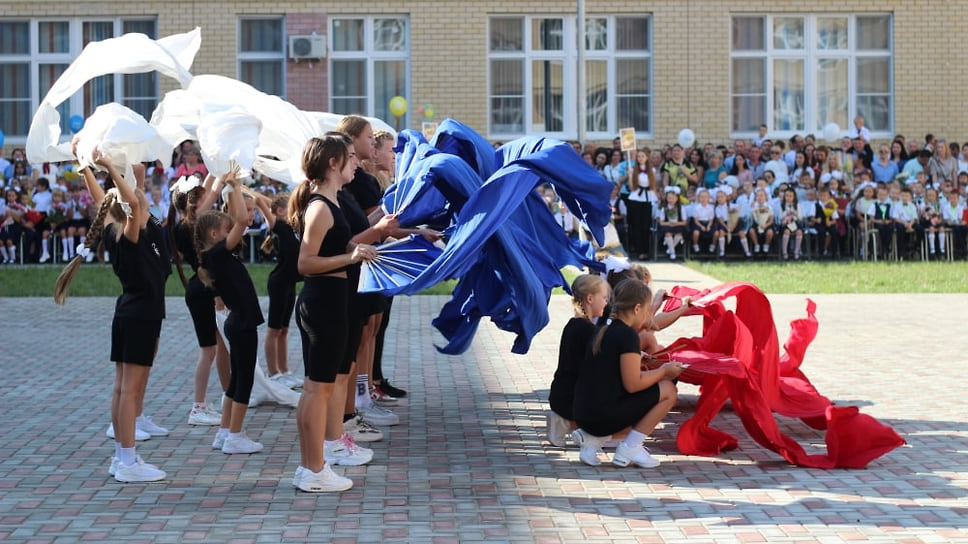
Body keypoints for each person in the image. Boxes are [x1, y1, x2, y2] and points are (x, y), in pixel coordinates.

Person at [55, 149, 170, 482]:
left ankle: (122, 458)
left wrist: (85, 168)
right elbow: (131, 203)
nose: (144, 196)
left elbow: (100, 200)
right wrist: (107, 167)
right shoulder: (130, 232)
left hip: (128, 313)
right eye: (138, 191)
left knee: (122, 390)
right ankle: (129, 461)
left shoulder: (113, 227)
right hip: (140, 316)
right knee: (129, 392)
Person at [290, 135, 377, 492]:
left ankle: (314, 466)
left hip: (332, 299)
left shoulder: (332, 203)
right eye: (348, 158)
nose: (354, 164)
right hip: (322, 301)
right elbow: (306, 263)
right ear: (332, 164)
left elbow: (338, 246)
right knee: (317, 389)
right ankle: (313, 470)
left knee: (320, 389)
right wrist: (350, 257)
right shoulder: (320, 207)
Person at [570, 279, 685, 468]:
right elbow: (633, 385)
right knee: (668, 390)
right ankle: (631, 447)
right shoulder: (627, 336)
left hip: (583, 414)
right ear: (637, 308)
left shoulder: (605, 328)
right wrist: (663, 371)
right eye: (648, 310)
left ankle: (592, 440)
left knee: (652, 386)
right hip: (600, 417)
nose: (649, 316)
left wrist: (638, 358)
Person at [195, 168, 266, 455]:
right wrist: (234, 186)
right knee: (244, 380)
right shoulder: (219, 254)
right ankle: (236, 434)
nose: (234, 233)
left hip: (237, 322)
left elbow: (238, 221)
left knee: (236, 378)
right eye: (226, 232)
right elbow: (239, 220)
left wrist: (232, 187)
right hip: (242, 324)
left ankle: (225, 431)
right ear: (215, 234)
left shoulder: (215, 256)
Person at [168, 174, 229, 427]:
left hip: (202, 288)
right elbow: (213, 193)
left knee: (218, 348)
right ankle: (198, 405)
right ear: (194, 203)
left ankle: (226, 396)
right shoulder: (188, 226)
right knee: (208, 351)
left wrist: (214, 169)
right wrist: (220, 174)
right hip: (202, 290)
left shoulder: (186, 224)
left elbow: (210, 191)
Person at [546, 274, 610, 447]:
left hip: (561, 394)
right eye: (604, 298)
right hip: (570, 400)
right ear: (590, 298)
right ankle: (567, 423)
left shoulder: (573, 325)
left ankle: (565, 422)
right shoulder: (588, 331)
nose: (606, 303)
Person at [258, 192, 303, 388]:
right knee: (273, 329)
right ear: (280, 211)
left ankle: (284, 370)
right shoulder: (280, 226)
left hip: (290, 283)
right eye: (290, 206)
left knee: (284, 330)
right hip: (279, 283)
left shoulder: (293, 228)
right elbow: (261, 201)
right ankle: (273, 373)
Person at [657, 187, 687, 260]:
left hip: (678, 225)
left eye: (673, 198)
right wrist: (668, 223)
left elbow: (684, 222)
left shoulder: (681, 208)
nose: (671, 200)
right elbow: (661, 222)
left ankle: (670, 249)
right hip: (667, 225)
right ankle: (672, 252)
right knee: (668, 233)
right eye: (669, 198)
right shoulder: (664, 208)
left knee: (679, 233)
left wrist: (676, 223)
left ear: (677, 198)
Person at [779, 188, 804, 260]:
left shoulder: (797, 205)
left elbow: (800, 217)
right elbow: (780, 217)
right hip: (785, 224)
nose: (788, 198)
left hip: (795, 223)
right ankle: (784, 252)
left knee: (799, 232)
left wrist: (795, 214)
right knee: (786, 231)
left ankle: (797, 251)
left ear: (794, 197)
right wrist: (786, 213)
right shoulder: (782, 206)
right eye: (787, 196)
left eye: (790, 196)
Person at [748, 188, 775, 255]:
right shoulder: (754, 207)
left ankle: (766, 246)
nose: (759, 197)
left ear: (765, 197)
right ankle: (756, 246)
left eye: (761, 195)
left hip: (767, 224)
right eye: (758, 196)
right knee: (751, 230)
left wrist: (765, 225)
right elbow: (753, 218)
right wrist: (758, 222)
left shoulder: (769, 207)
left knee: (770, 232)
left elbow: (771, 220)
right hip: (757, 224)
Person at [689, 188, 715, 254]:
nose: (704, 199)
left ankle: (713, 245)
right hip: (698, 223)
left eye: (706, 197)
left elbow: (711, 219)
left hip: (708, 222)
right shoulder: (696, 208)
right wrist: (701, 226)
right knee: (696, 232)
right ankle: (695, 245)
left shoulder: (711, 208)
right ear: (699, 198)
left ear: (708, 198)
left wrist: (709, 226)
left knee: (716, 232)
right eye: (702, 197)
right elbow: (695, 220)